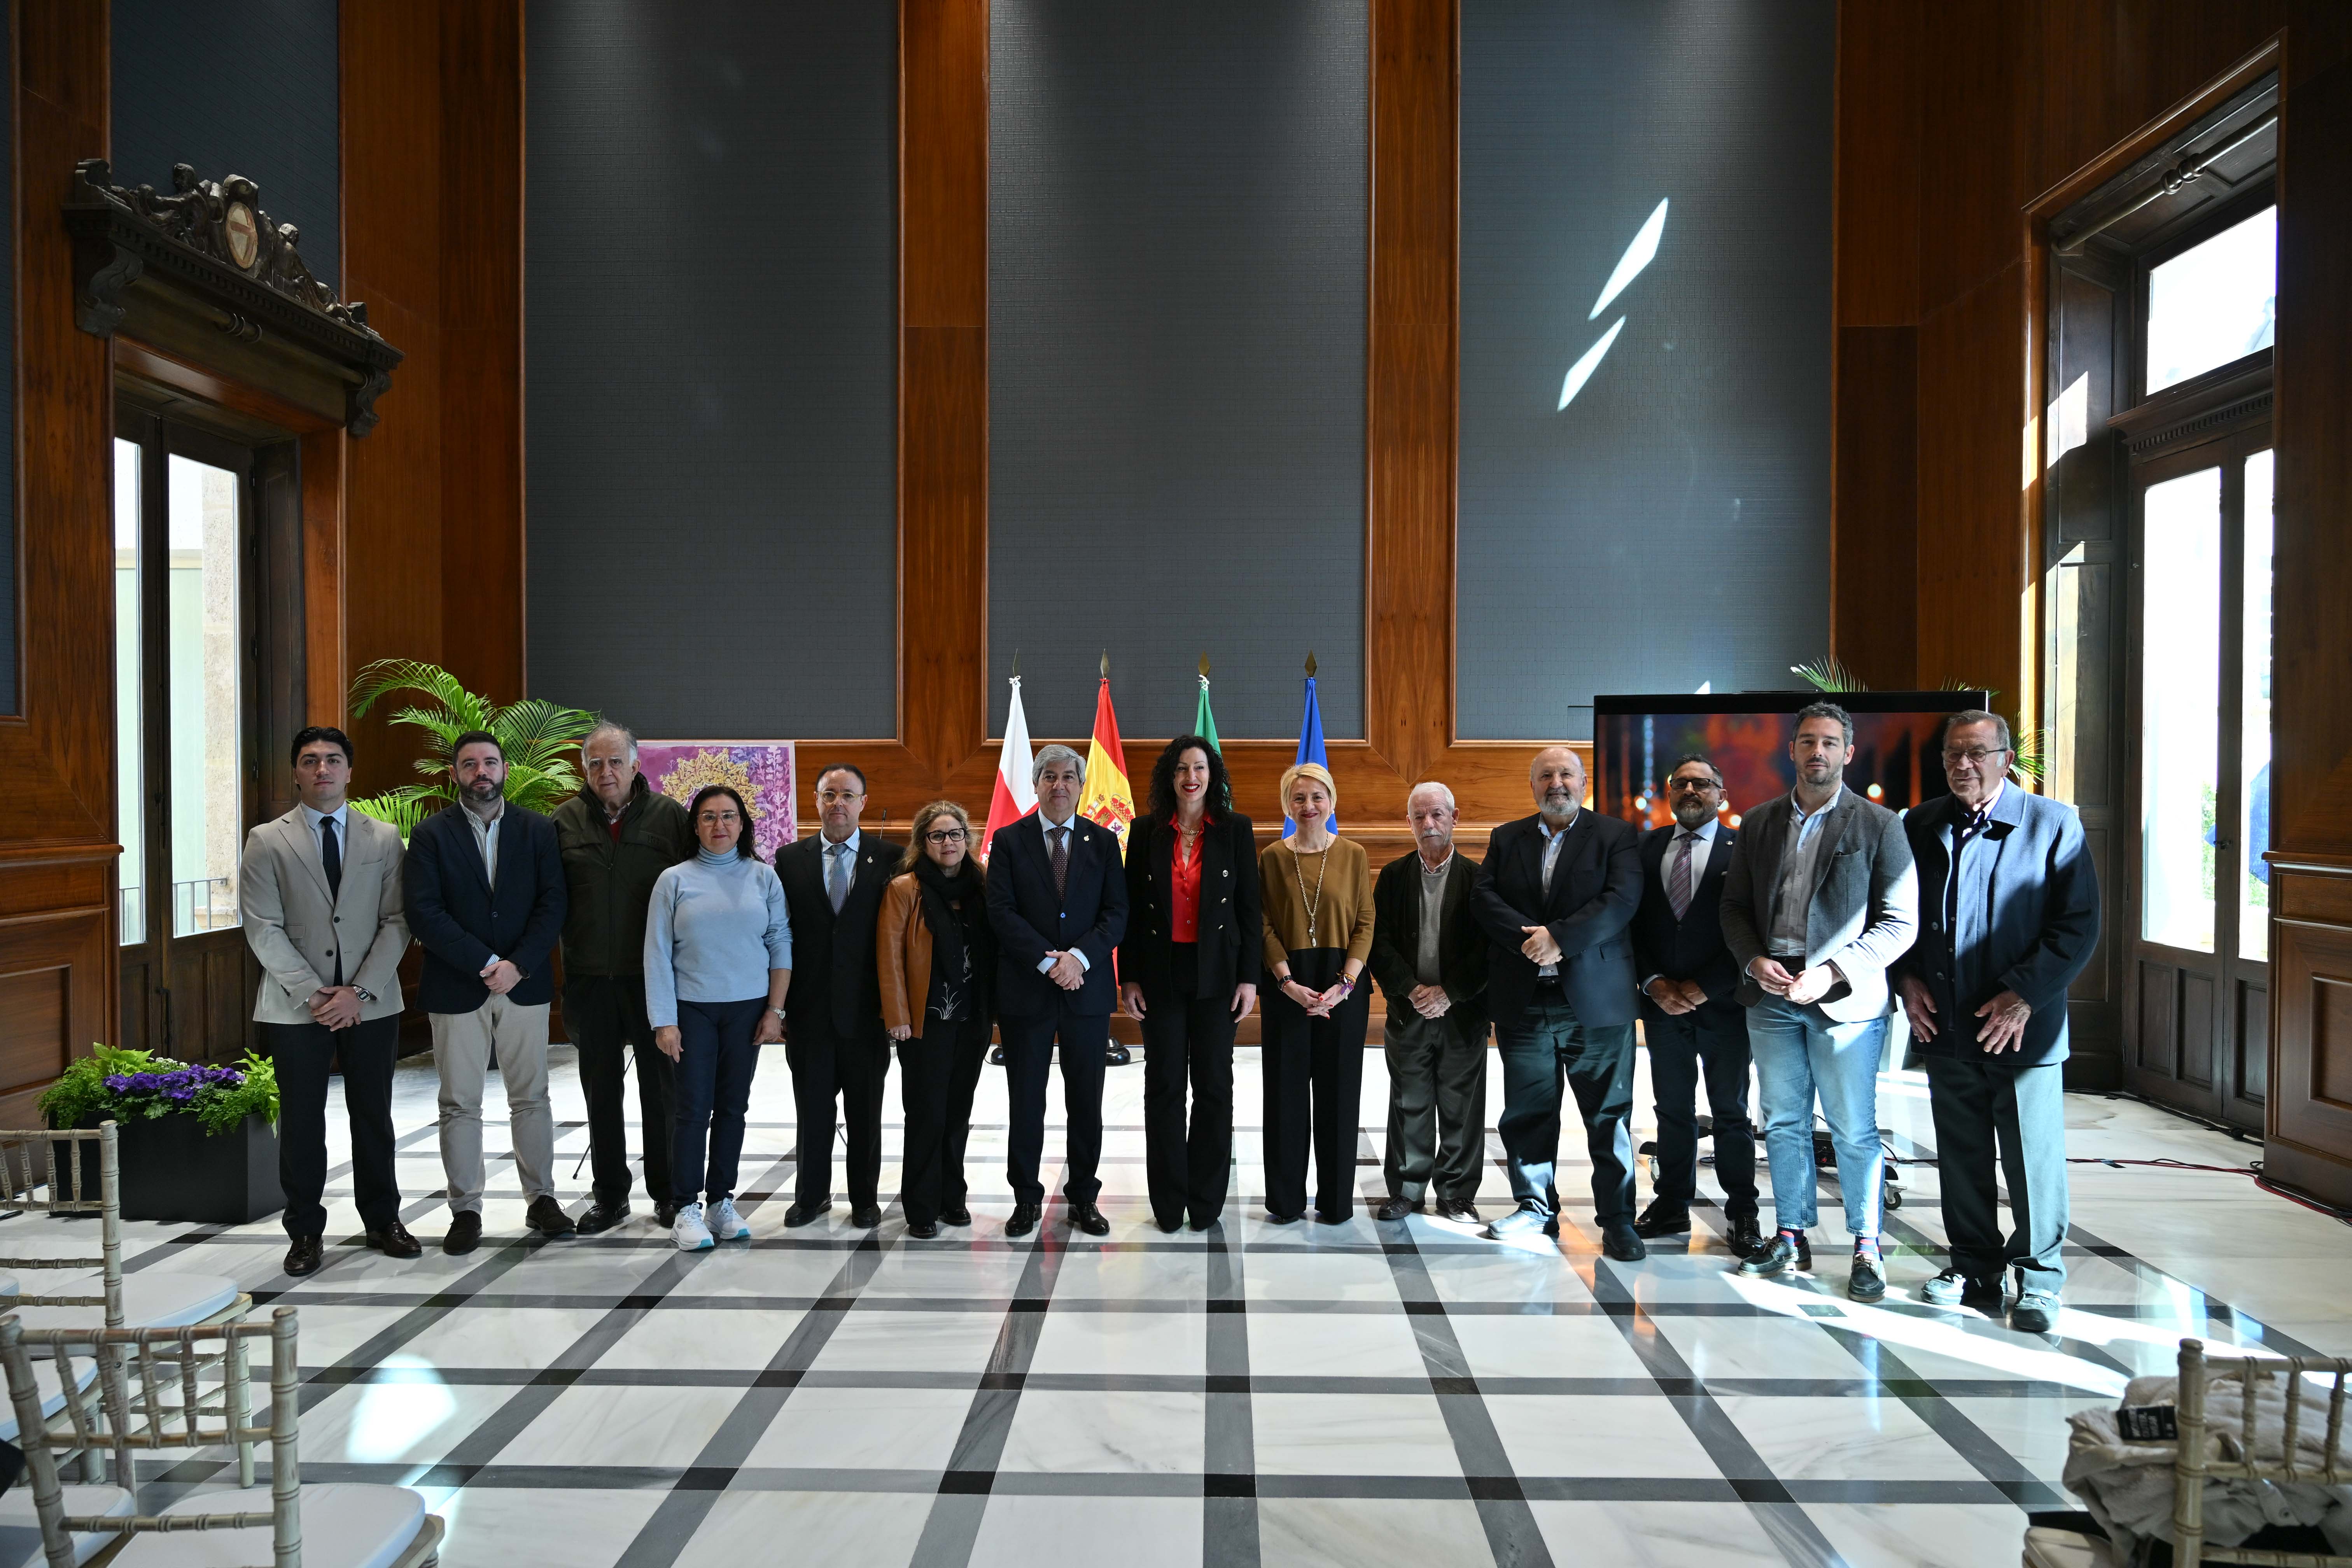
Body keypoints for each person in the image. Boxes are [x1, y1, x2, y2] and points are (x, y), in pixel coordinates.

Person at [1894, 710, 2099, 1334]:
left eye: (1978, 753)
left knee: (2031, 1159)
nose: (1964, 765)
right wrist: (1904, 981)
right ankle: (1975, 1268)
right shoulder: (1919, 825)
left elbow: (2078, 926)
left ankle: (2038, 1280)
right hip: (1946, 1027)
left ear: (2006, 759)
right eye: (1955, 754)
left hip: (2024, 1029)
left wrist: (2023, 997)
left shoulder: (2052, 824)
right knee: (1961, 1156)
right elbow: (1895, 915)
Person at [1719, 701, 1918, 1302]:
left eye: (1830, 743)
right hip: (1771, 991)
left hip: (1844, 999)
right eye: (1808, 742)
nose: (1818, 753)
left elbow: (1899, 924)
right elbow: (1733, 909)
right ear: (1793, 750)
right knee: (1782, 1121)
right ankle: (1790, 1233)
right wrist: (1755, 961)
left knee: (1853, 1128)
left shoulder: (1880, 826)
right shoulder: (1757, 823)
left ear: (1848, 753)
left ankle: (1866, 1246)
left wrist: (1831, 971)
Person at [239, 726, 419, 1275]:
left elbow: (398, 921)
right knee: (301, 1121)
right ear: (295, 771)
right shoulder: (267, 839)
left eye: (333, 760)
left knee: (373, 1114)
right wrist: (317, 992)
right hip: (298, 1005)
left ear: (349, 771)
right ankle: (305, 1232)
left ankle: (383, 1219)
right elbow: (262, 926)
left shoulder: (384, 838)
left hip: (370, 1001)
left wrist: (358, 991)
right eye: (311, 760)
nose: (323, 770)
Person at [1470, 747, 1646, 1256]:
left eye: (1566, 773)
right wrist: (1530, 938)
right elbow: (1484, 899)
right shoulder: (1507, 838)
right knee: (1527, 1113)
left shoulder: (1615, 835)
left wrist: (1560, 939)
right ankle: (1535, 1209)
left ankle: (1617, 1220)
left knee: (1608, 1117)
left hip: (1594, 1006)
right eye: (1545, 775)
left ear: (1584, 782)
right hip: (1524, 1002)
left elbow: (1621, 902)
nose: (1556, 782)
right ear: (1532, 786)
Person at [404, 729, 572, 1254]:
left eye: (491, 763)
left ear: (504, 769)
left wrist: (518, 965)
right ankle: (466, 1209)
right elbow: (424, 912)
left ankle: (541, 1199)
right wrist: (485, 962)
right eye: (471, 764)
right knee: (459, 1102)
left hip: (524, 984)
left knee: (533, 1098)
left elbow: (554, 904)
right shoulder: (431, 835)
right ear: (455, 774)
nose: (482, 772)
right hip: (459, 984)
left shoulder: (537, 830)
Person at [552, 720, 697, 1232]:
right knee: (599, 1090)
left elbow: (692, 893)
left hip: (651, 979)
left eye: (616, 761)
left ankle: (667, 1193)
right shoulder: (564, 821)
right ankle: (610, 1195)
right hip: (589, 978)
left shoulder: (670, 819)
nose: (606, 771)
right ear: (584, 768)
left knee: (662, 1091)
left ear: (636, 766)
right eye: (595, 762)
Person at [1119, 737, 1262, 1233]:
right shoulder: (1145, 832)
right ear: (1170, 777)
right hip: (1161, 976)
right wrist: (1129, 975)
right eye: (1181, 769)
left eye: (1199, 768)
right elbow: (1134, 912)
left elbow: (1249, 910)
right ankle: (1168, 1201)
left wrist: (1250, 978)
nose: (1191, 778)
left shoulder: (1236, 831)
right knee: (1162, 1088)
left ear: (1212, 775)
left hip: (1217, 978)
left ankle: (1205, 1200)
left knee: (1214, 1088)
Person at [985, 744, 1128, 1239]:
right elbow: (1001, 913)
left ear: (1081, 786)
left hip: (1086, 991)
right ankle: (1026, 1198)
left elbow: (1117, 914)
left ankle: (1084, 1198)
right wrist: (1050, 961)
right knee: (1026, 1099)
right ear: (1036, 783)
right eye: (1050, 776)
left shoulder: (1103, 843)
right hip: (1028, 991)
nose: (1060, 785)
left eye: (1070, 777)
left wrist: (1079, 959)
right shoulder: (1007, 840)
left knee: (1085, 1101)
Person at [646, 784, 793, 1251]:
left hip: (747, 1011)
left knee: (733, 1107)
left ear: (743, 824)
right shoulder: (674, 880)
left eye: (729, 816)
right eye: (708, 817)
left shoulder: (763, 877)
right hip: (692, 1011)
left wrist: (775, 1010)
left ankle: (721, 1201)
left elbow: (780, 943)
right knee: (692, 1109)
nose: (719, 826)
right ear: (695, 826)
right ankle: (686, 1205)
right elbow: (656, 954)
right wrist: (663, 1021)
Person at [1630, 754, 1760, 1254]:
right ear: (1669, 792)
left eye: (1702, 784)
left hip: (1726, 1004)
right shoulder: (1646, 848)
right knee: (1672, 1110)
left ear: (1721, 795)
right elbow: (1632, 924)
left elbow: (1757, 927)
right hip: (1663, 1007)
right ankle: (1671, 1205)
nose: (1691, 790)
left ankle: (1743, 1213)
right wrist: (1654, 983)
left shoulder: (1744, 849)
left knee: (1731, 1112)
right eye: (1681, 783)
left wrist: (1711, 984)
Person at [771, 765, 901, 1228]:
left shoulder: (892, 857)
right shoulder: (789, 859)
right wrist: (779, 1006)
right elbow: (779, 935)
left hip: (868, 1013)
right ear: (816, 800)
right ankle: (811, 1196)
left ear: (864, 802)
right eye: (830, 794)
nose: (838, 803)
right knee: (813, 1110)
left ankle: (865, 1199)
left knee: (866, 1111)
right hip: (808, 1013)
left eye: (848, 795)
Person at [1365, 782, 1488, 1224]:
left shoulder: (1479, 879)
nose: (1428, 824)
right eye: (1419, 817)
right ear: (1409, 823)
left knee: (1461, 1106)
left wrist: (1449, 993)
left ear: (1455, 818)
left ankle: (1456, 1193)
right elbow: (1378, 943)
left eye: (1437, 814)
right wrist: (1411, 990)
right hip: (1408, 1011)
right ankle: (1407, 1190)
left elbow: (1488, 948)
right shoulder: (1394, 877)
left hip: (1463, 1014)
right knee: (1409, 1103)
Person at [1258, 763, 1375, 1225]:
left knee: (1339, 1096)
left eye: (1317, 797)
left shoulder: (1354, 854)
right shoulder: (1270, 856)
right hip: (1289, 983)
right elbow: (1262, 923)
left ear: (1332, 802)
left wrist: (1345, 984)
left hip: (1342, 983)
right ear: (1287, 804)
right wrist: (1287, 983)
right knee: (1286, 1098)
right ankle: (1286, 1202)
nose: (1309, 807)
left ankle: (1335, 1202)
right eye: (1299, 798)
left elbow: (1366, 921)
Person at [878, 801, 998, 1239]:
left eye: (954, 835)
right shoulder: (905, 888)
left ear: (967, 840)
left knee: (958, 1112)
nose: (947, 843)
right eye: (937, 836)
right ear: (922, 843)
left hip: (973, 1019)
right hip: (924, 1022)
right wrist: (898, 1016)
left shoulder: (981, 887)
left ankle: (953, 1198)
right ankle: (922, 1205)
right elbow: (889, 956)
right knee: (927, 1112)